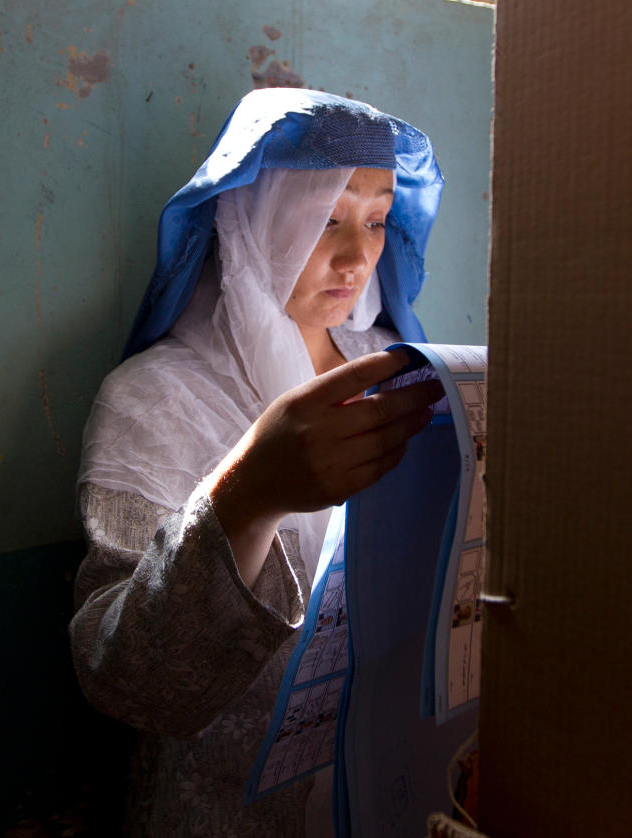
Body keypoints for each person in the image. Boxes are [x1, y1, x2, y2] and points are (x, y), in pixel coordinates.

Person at [69, 88, 446, 837]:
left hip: (396, 791)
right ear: (253, 215)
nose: (356, 256)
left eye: (376, 221)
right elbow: (130, 679)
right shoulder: (156, 401)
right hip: (223, 810)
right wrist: (246, 497)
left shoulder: (398, 372)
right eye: (325, 218)